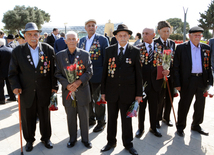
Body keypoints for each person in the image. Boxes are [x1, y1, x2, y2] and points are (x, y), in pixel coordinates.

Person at [8, 22, 58, 152]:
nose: (33, 36)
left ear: (39, 35)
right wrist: (15, 86)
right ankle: (29, 140)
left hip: (44, 90)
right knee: (27, 118)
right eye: (29, 34)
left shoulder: (48, 49)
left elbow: (54, 70)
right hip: (26, 91)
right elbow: (12, 73)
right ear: (25, 36)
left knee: (45, 117)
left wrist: (54, 87)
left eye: (35, 34)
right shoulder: (17, 51)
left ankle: (46, 138)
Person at [101, 24, 142, 155]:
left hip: (128, 93)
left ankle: (128, 144)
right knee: (111, 119)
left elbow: (139, 75)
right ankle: (110, 142)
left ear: (129, 36)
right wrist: (103, 91)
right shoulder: (109, 50)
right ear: (116, 37)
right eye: (120, 35)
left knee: (127, 120)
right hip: (111, 92)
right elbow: (105, 73)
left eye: (125, 35)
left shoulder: (135, 51)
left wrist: (139, 94)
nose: (123, 37)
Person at [55, 31, 93, 149]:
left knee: (84, 117)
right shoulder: (59, 55)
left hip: (82, 91)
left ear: (78, 40)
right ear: (65, 41)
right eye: (69, 39)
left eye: (74, 39)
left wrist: (78, 82)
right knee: (70, 117)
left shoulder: (85, 54)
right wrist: (67, 85)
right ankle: (72, 139)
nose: (71, 41)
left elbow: (89, 71)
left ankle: (86, 139)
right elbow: (57, 73)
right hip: (68, 92)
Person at [174, 26, 213, 137]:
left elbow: (208, 66)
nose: (197, 37)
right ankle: (180, 126)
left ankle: (196, 125)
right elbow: (176, 67)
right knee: (184, 104)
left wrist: (210, 82)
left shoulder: (206, 48)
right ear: (189, 36)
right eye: (195, 35)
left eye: (199, 35)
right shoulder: (182, 48)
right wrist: (177, 83)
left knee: (200, 105)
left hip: (201, 80)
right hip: (187, 81)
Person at [135, 28, 169, 138]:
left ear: (153, 34)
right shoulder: (137, 48)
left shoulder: (161, 47)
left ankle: (153, 127)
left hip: (156, 83)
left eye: (147, 33)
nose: (144, 35)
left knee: (154, 107)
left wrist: (167, 70)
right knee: (142, 108)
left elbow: (166, 62)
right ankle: (140, 128)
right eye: (143, 33)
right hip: (142, 84)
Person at [78, 19, 109, 132]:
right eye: (88, 26)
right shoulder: (81, 40)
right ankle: (91, 118)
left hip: (98, 76)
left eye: (93, 25)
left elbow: (106, 59)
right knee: (87, 99)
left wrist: (106, 77)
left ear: (96, 28)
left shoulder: (102, 40)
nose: (91, 27)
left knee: (99, 100)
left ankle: (101, 121)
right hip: (84, 77)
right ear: (85, 28)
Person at [154, 21, 176, 128]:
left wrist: (169, 70)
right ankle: (157, 118)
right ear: (159, 31)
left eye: (168, 31)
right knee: (159, 98)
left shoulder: (172, 43)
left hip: (169, 75)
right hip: (158, 75)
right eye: (164, 31)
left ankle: (166, 117)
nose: (167, 33)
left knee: (169, 96)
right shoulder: (155, 43)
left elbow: (173, 59)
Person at [0, 38, 15, 104]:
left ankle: (1, 99)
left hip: (1, 71)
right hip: (10, 70)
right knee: (10, 85)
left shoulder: (0, 50)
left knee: (0, 86)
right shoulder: (11, 49)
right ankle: (12, 97)